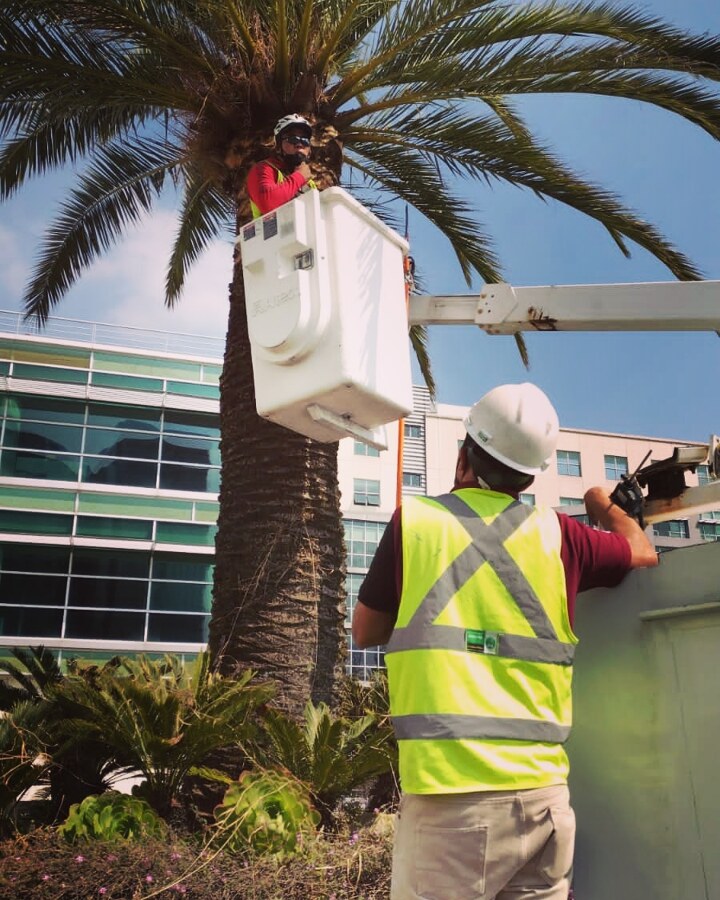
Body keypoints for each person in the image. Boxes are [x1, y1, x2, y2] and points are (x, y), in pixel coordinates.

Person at [352, 382, 658, 900]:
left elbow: (366, 629)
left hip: (451, 806)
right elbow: (642, 554)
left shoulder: (417, 522)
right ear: (531, 474)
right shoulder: (561, 536)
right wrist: (600, 503)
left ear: (464, 453)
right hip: (544, 803)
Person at [246, 114, 316, 218]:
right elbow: (267, 203)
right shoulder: (264, 168)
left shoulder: (310, 183)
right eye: (293, 139)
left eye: (304, 140)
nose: (299, 144)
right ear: (279, 146)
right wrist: (299, 176)